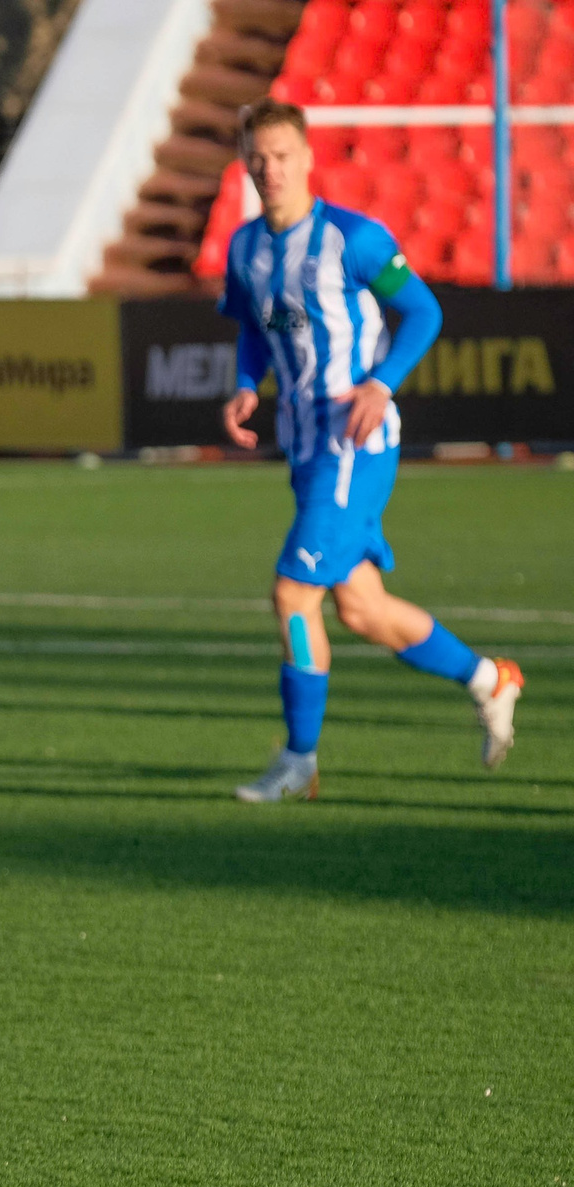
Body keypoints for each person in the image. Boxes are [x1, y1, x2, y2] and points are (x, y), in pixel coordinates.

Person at [221, 98, 521, 802]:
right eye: (258, 158)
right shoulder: (245, 248)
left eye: (283, 156)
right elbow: (254, 329)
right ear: (245, 162)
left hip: (354, 441)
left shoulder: (352, 240)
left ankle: (299, 759)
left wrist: (382, 384)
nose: (271, 169)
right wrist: (243, 384)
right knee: (360, 608)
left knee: (294, 594)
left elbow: (423, 310)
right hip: (303, 445)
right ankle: (492, 679)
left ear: (308, 158)